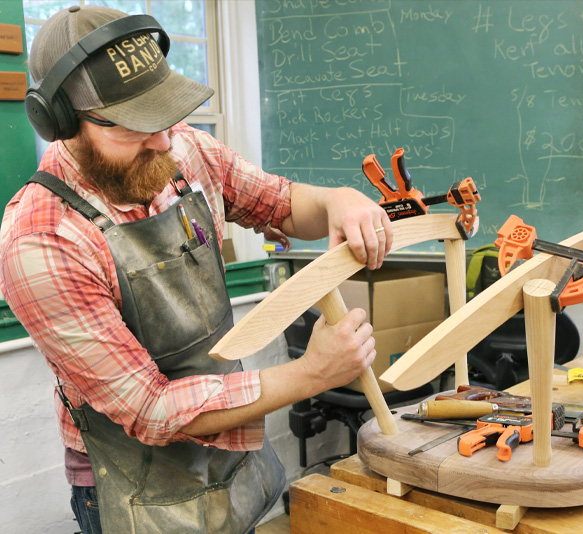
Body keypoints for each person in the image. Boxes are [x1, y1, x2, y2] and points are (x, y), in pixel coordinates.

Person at [0, 5, 393, 533]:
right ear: (63, 123)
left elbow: (279, 203)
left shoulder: (181, 148)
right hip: (136, 485)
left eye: (164, 118)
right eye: (137, 126)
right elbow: (151, 409)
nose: (164, 141)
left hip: (230, 452)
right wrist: (312, 373)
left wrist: (338, 201)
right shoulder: (42, 239)